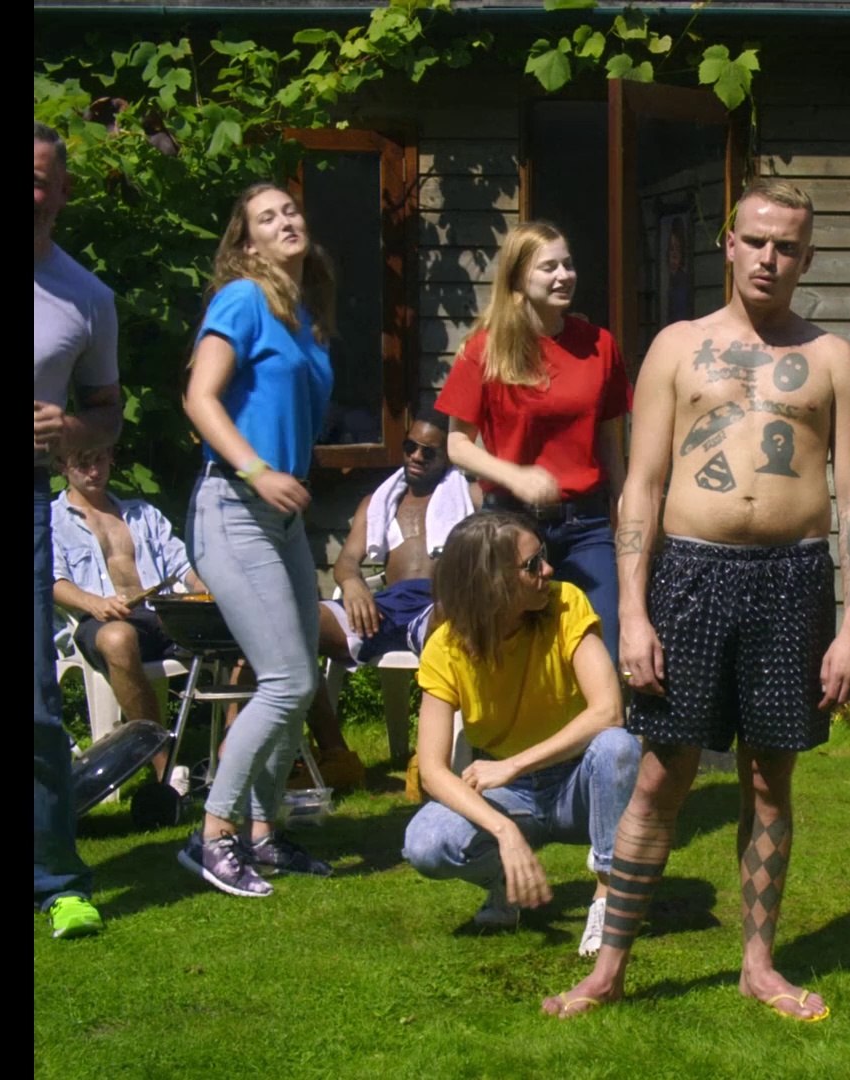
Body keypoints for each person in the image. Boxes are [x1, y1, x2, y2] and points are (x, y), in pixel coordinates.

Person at [540, 178, 850, 1022]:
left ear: (807, 257)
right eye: (755, 240)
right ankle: (608, 969)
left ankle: (759, 966)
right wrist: (633, 612)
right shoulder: (677, 347)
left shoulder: (832, 359)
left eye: (787, 246)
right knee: (662, 776)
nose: (769, 258)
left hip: (792, 580)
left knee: (770, 779)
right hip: (689, 575)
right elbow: (642, 485)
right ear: (728, 244)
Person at [178, 181, 337, 897]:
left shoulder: (302, 315)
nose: (285, 222)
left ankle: (263, 834)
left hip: (282, 518)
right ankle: (213, 834)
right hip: (234, 505)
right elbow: (199, 396)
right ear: (247, 244)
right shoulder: (242, 299)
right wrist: (257, 469)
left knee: (300, 681)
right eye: (267, 218)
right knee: (286, 680)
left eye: (291, 210)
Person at [400, 511, 640, 958]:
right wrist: (504, 830)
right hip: (510, 796)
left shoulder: (566, 602)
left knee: (617, 748)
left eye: (542, 557)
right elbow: (431, 770)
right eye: (532, 565)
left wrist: (512, 765)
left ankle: (609, 895)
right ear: (492, 582)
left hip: (578, 783)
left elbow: (608, 712)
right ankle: (506, 883)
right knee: (425, 843)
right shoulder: (445, 647)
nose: (548, 569)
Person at [436, 222, 629, 664]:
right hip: (509, 525)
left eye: (568, 264)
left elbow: (611, 442)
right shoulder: (484, 349)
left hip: (586, 525)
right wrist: (516, 477)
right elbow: (458, 445)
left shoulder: (599, 345)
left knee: (602, 647)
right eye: (549, 267)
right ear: (519, 277)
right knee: (506, 657)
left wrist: (625, 512)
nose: (564, 276)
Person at [34, 120, 124, 939]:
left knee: (35, 701)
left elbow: (108, 413)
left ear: (62, 190)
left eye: (39, 178)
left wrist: (67, 432)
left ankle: (58, 881)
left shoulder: (85, 296)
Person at [312, 405, 476, 787]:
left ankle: (430, 757)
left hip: (437, 603)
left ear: (448, 456)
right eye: (409, 447)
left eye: (428, 452)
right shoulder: (378, 502)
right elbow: (347, 561)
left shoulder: (468, 498)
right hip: (384, 605)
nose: (416, 457)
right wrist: (353, 584)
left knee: (450, 620)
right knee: (297, 625)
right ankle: (336, 755)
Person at [50, 444, 208, 779]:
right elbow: (53, 582)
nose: (94, 471)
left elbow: (184, 566)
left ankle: (234, 755)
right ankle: (164, 766)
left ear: (111, 458)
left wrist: (205, 587)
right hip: (98, 621)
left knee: (233, 629)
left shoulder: (142, 513)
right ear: (62, 465)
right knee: (118, 637)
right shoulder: (52, 521)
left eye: (100, 459)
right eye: (83, 463)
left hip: (160, 614)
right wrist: (95, 602)